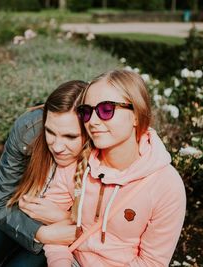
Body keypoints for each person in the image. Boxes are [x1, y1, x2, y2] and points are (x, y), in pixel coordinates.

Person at [43, 69, 187, 266]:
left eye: (106, 109)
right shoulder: (77, 162)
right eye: (86, 112)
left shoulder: (166, 185)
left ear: (136, 115)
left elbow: (151, 262)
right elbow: (54, 226)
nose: (93, 121)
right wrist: (60, 262)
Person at [0, 80, 88, 267]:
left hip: (60, 229)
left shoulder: (101, 151)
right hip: (18, 214)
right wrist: (40, 233)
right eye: (50, 132)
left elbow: (108, 225)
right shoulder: (28, 130)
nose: (58, 146)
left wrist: (63, 218)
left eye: (70, 136)